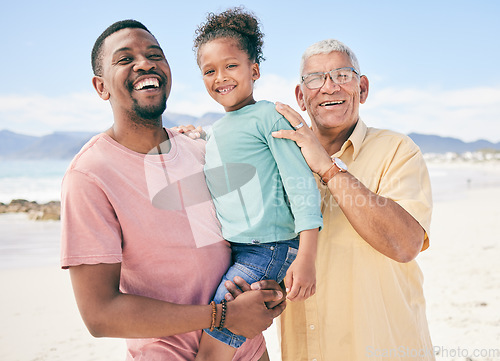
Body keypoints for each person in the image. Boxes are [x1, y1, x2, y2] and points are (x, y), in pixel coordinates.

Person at [59, 19, 286, 361]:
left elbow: (248, 239)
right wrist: (222, 316)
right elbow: (100, 315)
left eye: (155, 55)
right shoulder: (89, 176)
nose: (145, 63)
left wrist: (269, 291)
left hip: (250, 351)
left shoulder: (201, 150)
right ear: (101, 86)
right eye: (124, 59)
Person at [268, 39, 435, 360]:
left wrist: (328, 169)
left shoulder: (398, 150)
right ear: (301, 97)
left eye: (342, 76)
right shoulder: (281, 160)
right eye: (315, 79)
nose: (329, 87)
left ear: (363, 87)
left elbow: (405, 244)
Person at [191, 8, 323, 361]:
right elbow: (227, 147)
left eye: (231, 65)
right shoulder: (218, 128)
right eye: (210, 70)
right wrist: (194, 134)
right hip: (239, 249)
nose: (221, 76)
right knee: (241, 345)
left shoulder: (269, 115)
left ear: (254, 70)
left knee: (211, 351)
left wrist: (307, 256)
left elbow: (301, 186)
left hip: (268, 250)